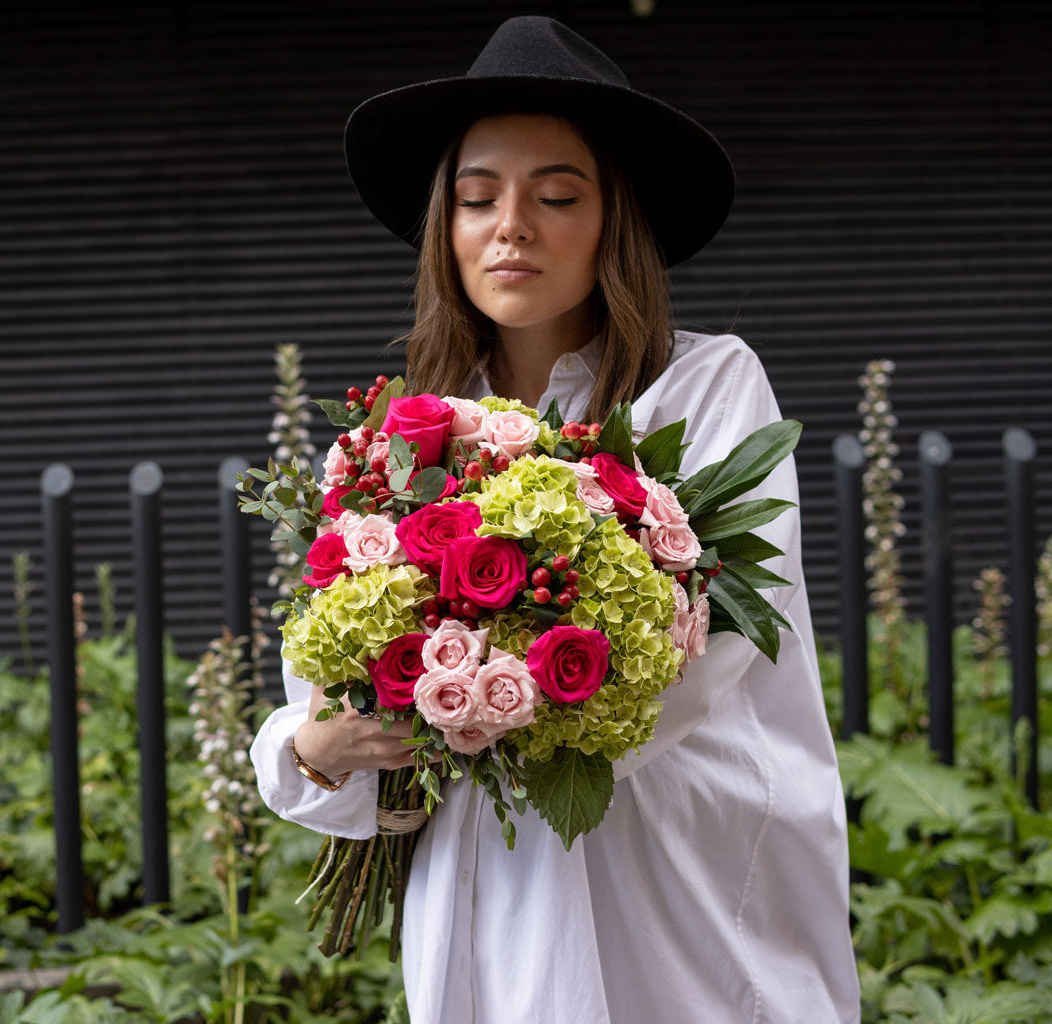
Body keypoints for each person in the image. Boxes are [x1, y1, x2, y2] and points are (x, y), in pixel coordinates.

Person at [248, 16, 862, 1024]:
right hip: (488, 878)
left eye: (558, 196)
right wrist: (317, 748)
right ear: (446, 228)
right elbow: (336, 704)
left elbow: (709, 657)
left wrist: (459, 707)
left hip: (673, 869)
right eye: (477, 197)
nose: (511, 226)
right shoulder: (388, 449)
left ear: (615, 220)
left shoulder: (704, 391)